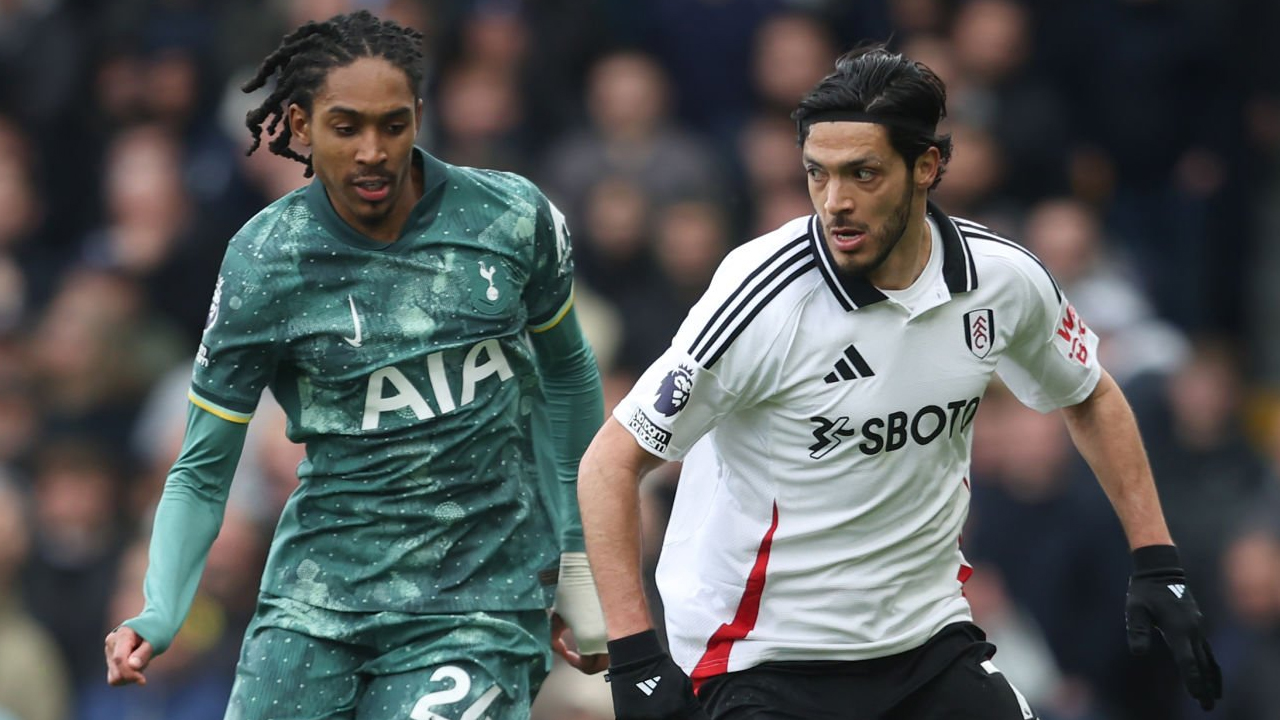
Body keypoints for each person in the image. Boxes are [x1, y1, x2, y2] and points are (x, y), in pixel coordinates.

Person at [578, 45, 1222, 720]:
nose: (836, 202)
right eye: (817, 174)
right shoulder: (762, 297)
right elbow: (609, 465)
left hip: (927, 641)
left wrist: (1157, 559)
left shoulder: (1003, 279)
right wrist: (636, 660)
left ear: (927, 167)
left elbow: (1088, 393)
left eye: (863, 173)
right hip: (763, 658)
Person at [103, 10, 608, 718]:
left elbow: (571, 376)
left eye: (393, 125)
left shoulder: (511, 218)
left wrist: (581, 557)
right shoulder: (265, 261)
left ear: (419, 117)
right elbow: (203, 467)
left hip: (480, 603)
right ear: (300, 126)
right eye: (346, 127)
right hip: (318, 600)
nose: (373, 151)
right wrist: (160, 608)